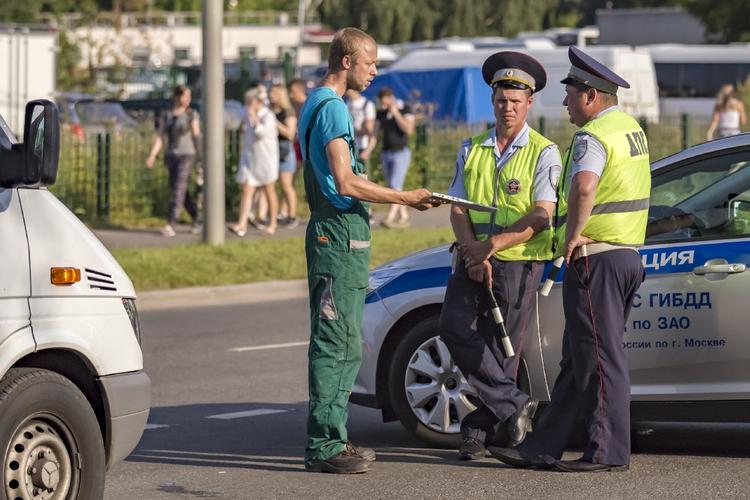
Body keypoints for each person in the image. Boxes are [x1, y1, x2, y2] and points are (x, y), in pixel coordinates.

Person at [490, 46, 650, 473]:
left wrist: (572, 235)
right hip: (624, 256)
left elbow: (583, 188)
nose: (565, 102)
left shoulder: (592, 136)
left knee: (599, 358)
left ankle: (607, 453)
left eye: (571, 93)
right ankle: (541, 447)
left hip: (595, 257)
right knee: (578, 359)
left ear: (591, 96)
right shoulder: (630, 127)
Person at [298, 27, 440, 474]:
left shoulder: (318, 102)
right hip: (336, 234)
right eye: (370, 62)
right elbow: (346, 182)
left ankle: (335, 437)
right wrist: (407, 197)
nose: (375, 71)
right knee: (336, 343)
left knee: (344, 345)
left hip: (338, 233)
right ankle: (324, 446)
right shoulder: (333, 109)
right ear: (346, 62)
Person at [437, 52, 562, 461]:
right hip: (473, 258)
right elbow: (458, 207)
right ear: (493, 101)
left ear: (529, 104)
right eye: (501, 100)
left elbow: (542, 214)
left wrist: (493, 247)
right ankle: (512, 405)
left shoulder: (544, 151)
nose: (507, 108)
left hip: (518, 260)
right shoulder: (471, 148)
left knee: (501, 347)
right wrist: (475, 253)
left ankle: (477, 431)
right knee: (453, 327)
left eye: (515, 101)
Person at [145, 85, 201, 237]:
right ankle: (197, 218)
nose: (187, 100)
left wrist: (200, 158)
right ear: (177, 97)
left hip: (187, 155)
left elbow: (196, 136)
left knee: (179, 187)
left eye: (189, 97)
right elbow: (160, 137)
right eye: (184, 96)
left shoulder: (191, 115)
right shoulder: (167, 115)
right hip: (171, 156)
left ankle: (171, 222)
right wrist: (152, 155)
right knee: (179, 190)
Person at [228, 88, 279, 237]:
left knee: (269, 190)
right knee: (246, 189)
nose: (248, 106)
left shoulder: (268, 116)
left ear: (258, 102)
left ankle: (272, 223)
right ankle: (242, 224)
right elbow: (237, 122)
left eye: (250, 102)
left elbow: (261, 133)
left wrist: (254, 118)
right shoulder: (248, 113)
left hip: (266, 160)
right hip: (250, 158)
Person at [376, 87, 416, 228]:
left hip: (401, 153)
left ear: (391, 97)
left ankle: (389, 217)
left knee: (395, 185)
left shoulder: (405, 108)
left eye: (386, 100)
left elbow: (409, 129)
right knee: (393, 187)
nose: (384, 104)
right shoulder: (381, 112)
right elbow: (378, 132)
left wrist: (395, 113)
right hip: (386, 152)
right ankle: (404, 216)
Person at [269, 83, 299, 228]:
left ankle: (292, 215)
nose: (270, 95)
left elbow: (290, 134)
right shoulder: (269, 110)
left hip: (285, 151)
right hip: (271, 151)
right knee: (270, 185)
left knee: (286, 186)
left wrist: (275, 123)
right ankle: (270, 216)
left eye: (274, 93)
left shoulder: (288, 112)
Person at [346, 88, 377, 168]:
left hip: (362, 147)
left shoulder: (367, 104)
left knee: (362, 176)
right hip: (348, 147)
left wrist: (368, 150)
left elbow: (370, 130)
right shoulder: (347, 104)